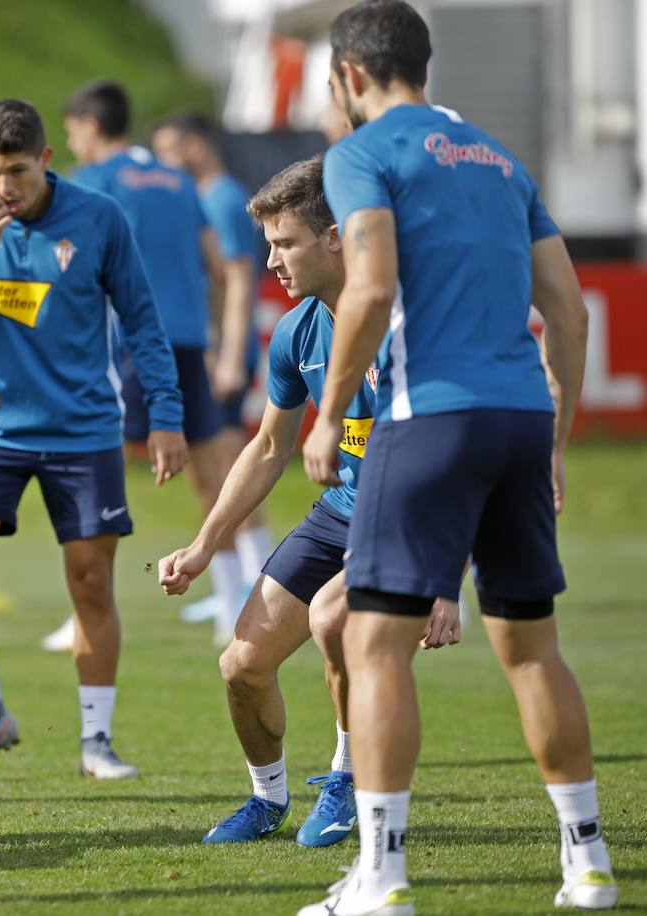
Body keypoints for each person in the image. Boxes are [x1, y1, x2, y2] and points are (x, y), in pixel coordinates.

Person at [295, 2, 614, 912]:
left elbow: (372, 284)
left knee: (373, 644)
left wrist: (329, 414)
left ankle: (382, 876)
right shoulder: (501, 159)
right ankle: (586, 862)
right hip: (519, 418)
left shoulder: (362, 153)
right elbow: (572, 313)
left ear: (353, 76)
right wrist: (553, 439)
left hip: (427, 416)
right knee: (532, 651)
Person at [157, 155, 459, 850]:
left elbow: (460, 457)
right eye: (266, 245)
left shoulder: (415, 321)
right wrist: (205, 545)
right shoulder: (297, 332)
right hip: (343, 510)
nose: (270, 263)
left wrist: (446, 581)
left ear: (333, 236)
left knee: (331, 622)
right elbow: (268, 448)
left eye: (284, 243)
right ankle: (267, 802)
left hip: (412, 520)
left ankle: (348, 778)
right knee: (242, 665)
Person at [0, 98, 187, 782]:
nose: (2, 187)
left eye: (15, 170)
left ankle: (96, 741)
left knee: (91, 584)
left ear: (45, 160)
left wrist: (165, 414)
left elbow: (142, 319)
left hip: (83, 429)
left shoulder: (99, 217)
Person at [48, 79, 237, 654]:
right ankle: (234, 607)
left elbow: (64, 268)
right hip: (182, 340)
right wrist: (218, 340)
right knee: (213, 476)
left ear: (89, 126)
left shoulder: (92, 183)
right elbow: (219, 266)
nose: (70, 141)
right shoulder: (179, 179)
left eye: (72, 130)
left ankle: (85, 616)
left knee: (84, 467)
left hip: (126, 341)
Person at [150, 108, 275, 639]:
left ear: (195, 147)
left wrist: (225, 351)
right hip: (214, 350)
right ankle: (237, 593)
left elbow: (239, 277)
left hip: (222, 355)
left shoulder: (220, 198)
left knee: (225, 476)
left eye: (168, 151)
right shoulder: (200, 199)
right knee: (213, 479)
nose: (162, 164)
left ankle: (257, 594)